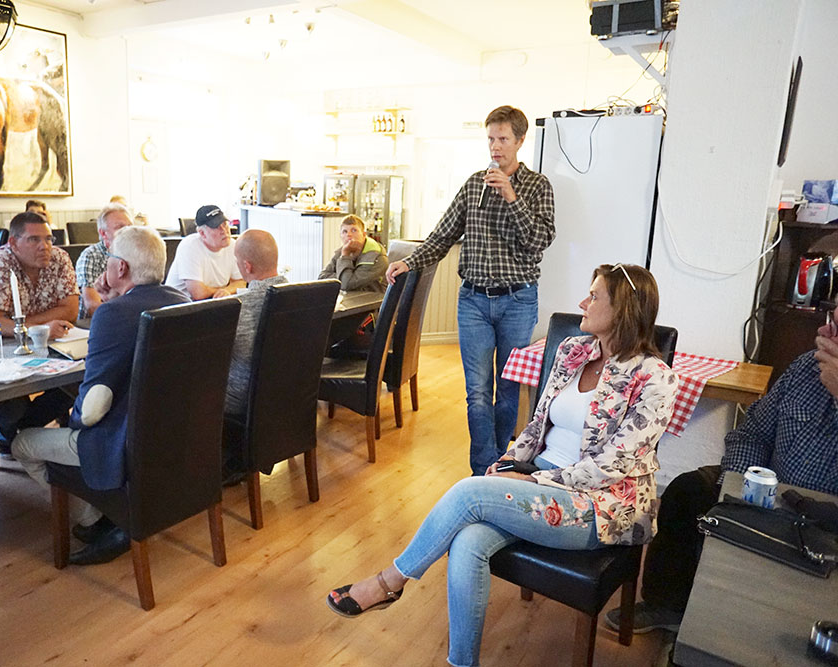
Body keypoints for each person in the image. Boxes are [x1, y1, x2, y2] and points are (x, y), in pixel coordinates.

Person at [328, 264, 677, 667]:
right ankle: (463, 663)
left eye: (595, 296)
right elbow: (536, 423)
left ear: (624, 309)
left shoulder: (656, 379)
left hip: (601, 505)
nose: (583, 302)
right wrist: (511, 462)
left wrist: (533, 479)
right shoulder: (574, 351)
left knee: (470, 493)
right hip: (541, 476)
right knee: (468, 541)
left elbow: (612, 465)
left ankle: (389, 582)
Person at [604, 316, 838, 635]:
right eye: (830, 319)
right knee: (686, 491)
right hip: (771, 491)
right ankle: (668, 604)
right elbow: (752, 433)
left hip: (825, 520)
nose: (823, 331)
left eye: (836, 329)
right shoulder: (806, 368)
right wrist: (741, 489)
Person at [386, 105, 555, 476]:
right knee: (477, 392)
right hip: (473, 301)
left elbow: (539, 241)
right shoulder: (474, 184)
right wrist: (409, 261)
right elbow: (443, 235)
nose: (495, 146)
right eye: (491, 138)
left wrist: (512, 197)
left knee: (507, 390)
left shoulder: (538, 186)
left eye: (503, 139)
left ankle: (500, 464)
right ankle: (483, 471)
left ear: (520, 141)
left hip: (518, 300)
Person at [12, 226, 189, 565]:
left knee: (23, 444)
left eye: (109, 259)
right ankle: (108, 512)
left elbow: (92, 411)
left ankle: (97, 520)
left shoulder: (113, 314)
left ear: (120, 267)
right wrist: (113, 301)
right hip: (171, 433)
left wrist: (74, 425)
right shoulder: (182, 301)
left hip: (123, 441)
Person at [0, 211, 79, 458]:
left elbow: (70, 310)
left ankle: (19, 434)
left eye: (48, 239)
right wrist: (36, 329)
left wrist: (28, 326)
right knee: (12, 399)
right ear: (13, 243)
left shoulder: (60, 259)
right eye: (34, 239)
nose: (44, 246)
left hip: (50, 345)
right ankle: (13, 433)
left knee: (79, 381)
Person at [221, 230, 287, 480]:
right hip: (286, 393)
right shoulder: (302, 296)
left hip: (242, 400)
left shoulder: (240, 308)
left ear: (246, 266)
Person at [165, 204, 244, 300]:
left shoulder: (233, 245)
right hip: (181, 302)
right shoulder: (189, 246)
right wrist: (223, 291)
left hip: (211, 301)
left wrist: (226, 291)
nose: (224, 230)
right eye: (216, 227)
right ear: (202, 233)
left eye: (225, 224)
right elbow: (198, 293)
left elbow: (241, 282)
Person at [74, 202, 133, 319]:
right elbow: (92, 306)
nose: (127, 232)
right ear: (103, 233)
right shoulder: (91, 256)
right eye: (120, 228)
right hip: (95, 321)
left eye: (130, 227)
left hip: (128, 317)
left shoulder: (135, 254)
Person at [319, 214, 388, 293]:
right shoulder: (343, 250)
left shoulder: (376, 256)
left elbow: (347, 285)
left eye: (354, 230)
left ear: (364, 234)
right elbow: (322, 277)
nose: (349, 234)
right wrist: (342, 277)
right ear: (340, 236)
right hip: (349, 297)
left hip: (372, 298)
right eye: (345, 231)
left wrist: (345, 256)